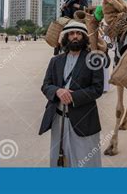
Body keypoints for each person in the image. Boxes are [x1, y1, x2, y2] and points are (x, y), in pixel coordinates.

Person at [39, 21, 104, 167]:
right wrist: (58, 91)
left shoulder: (94, 59)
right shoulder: (55, 61)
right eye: (71, 34)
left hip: (84, 120)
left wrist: (73, 97)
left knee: (85, 163)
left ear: (84, 37)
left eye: (79, 33)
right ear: (66, 37)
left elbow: (97, 89)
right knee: (60, 161)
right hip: (58, 118)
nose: (75, 36)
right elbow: (45, 85)